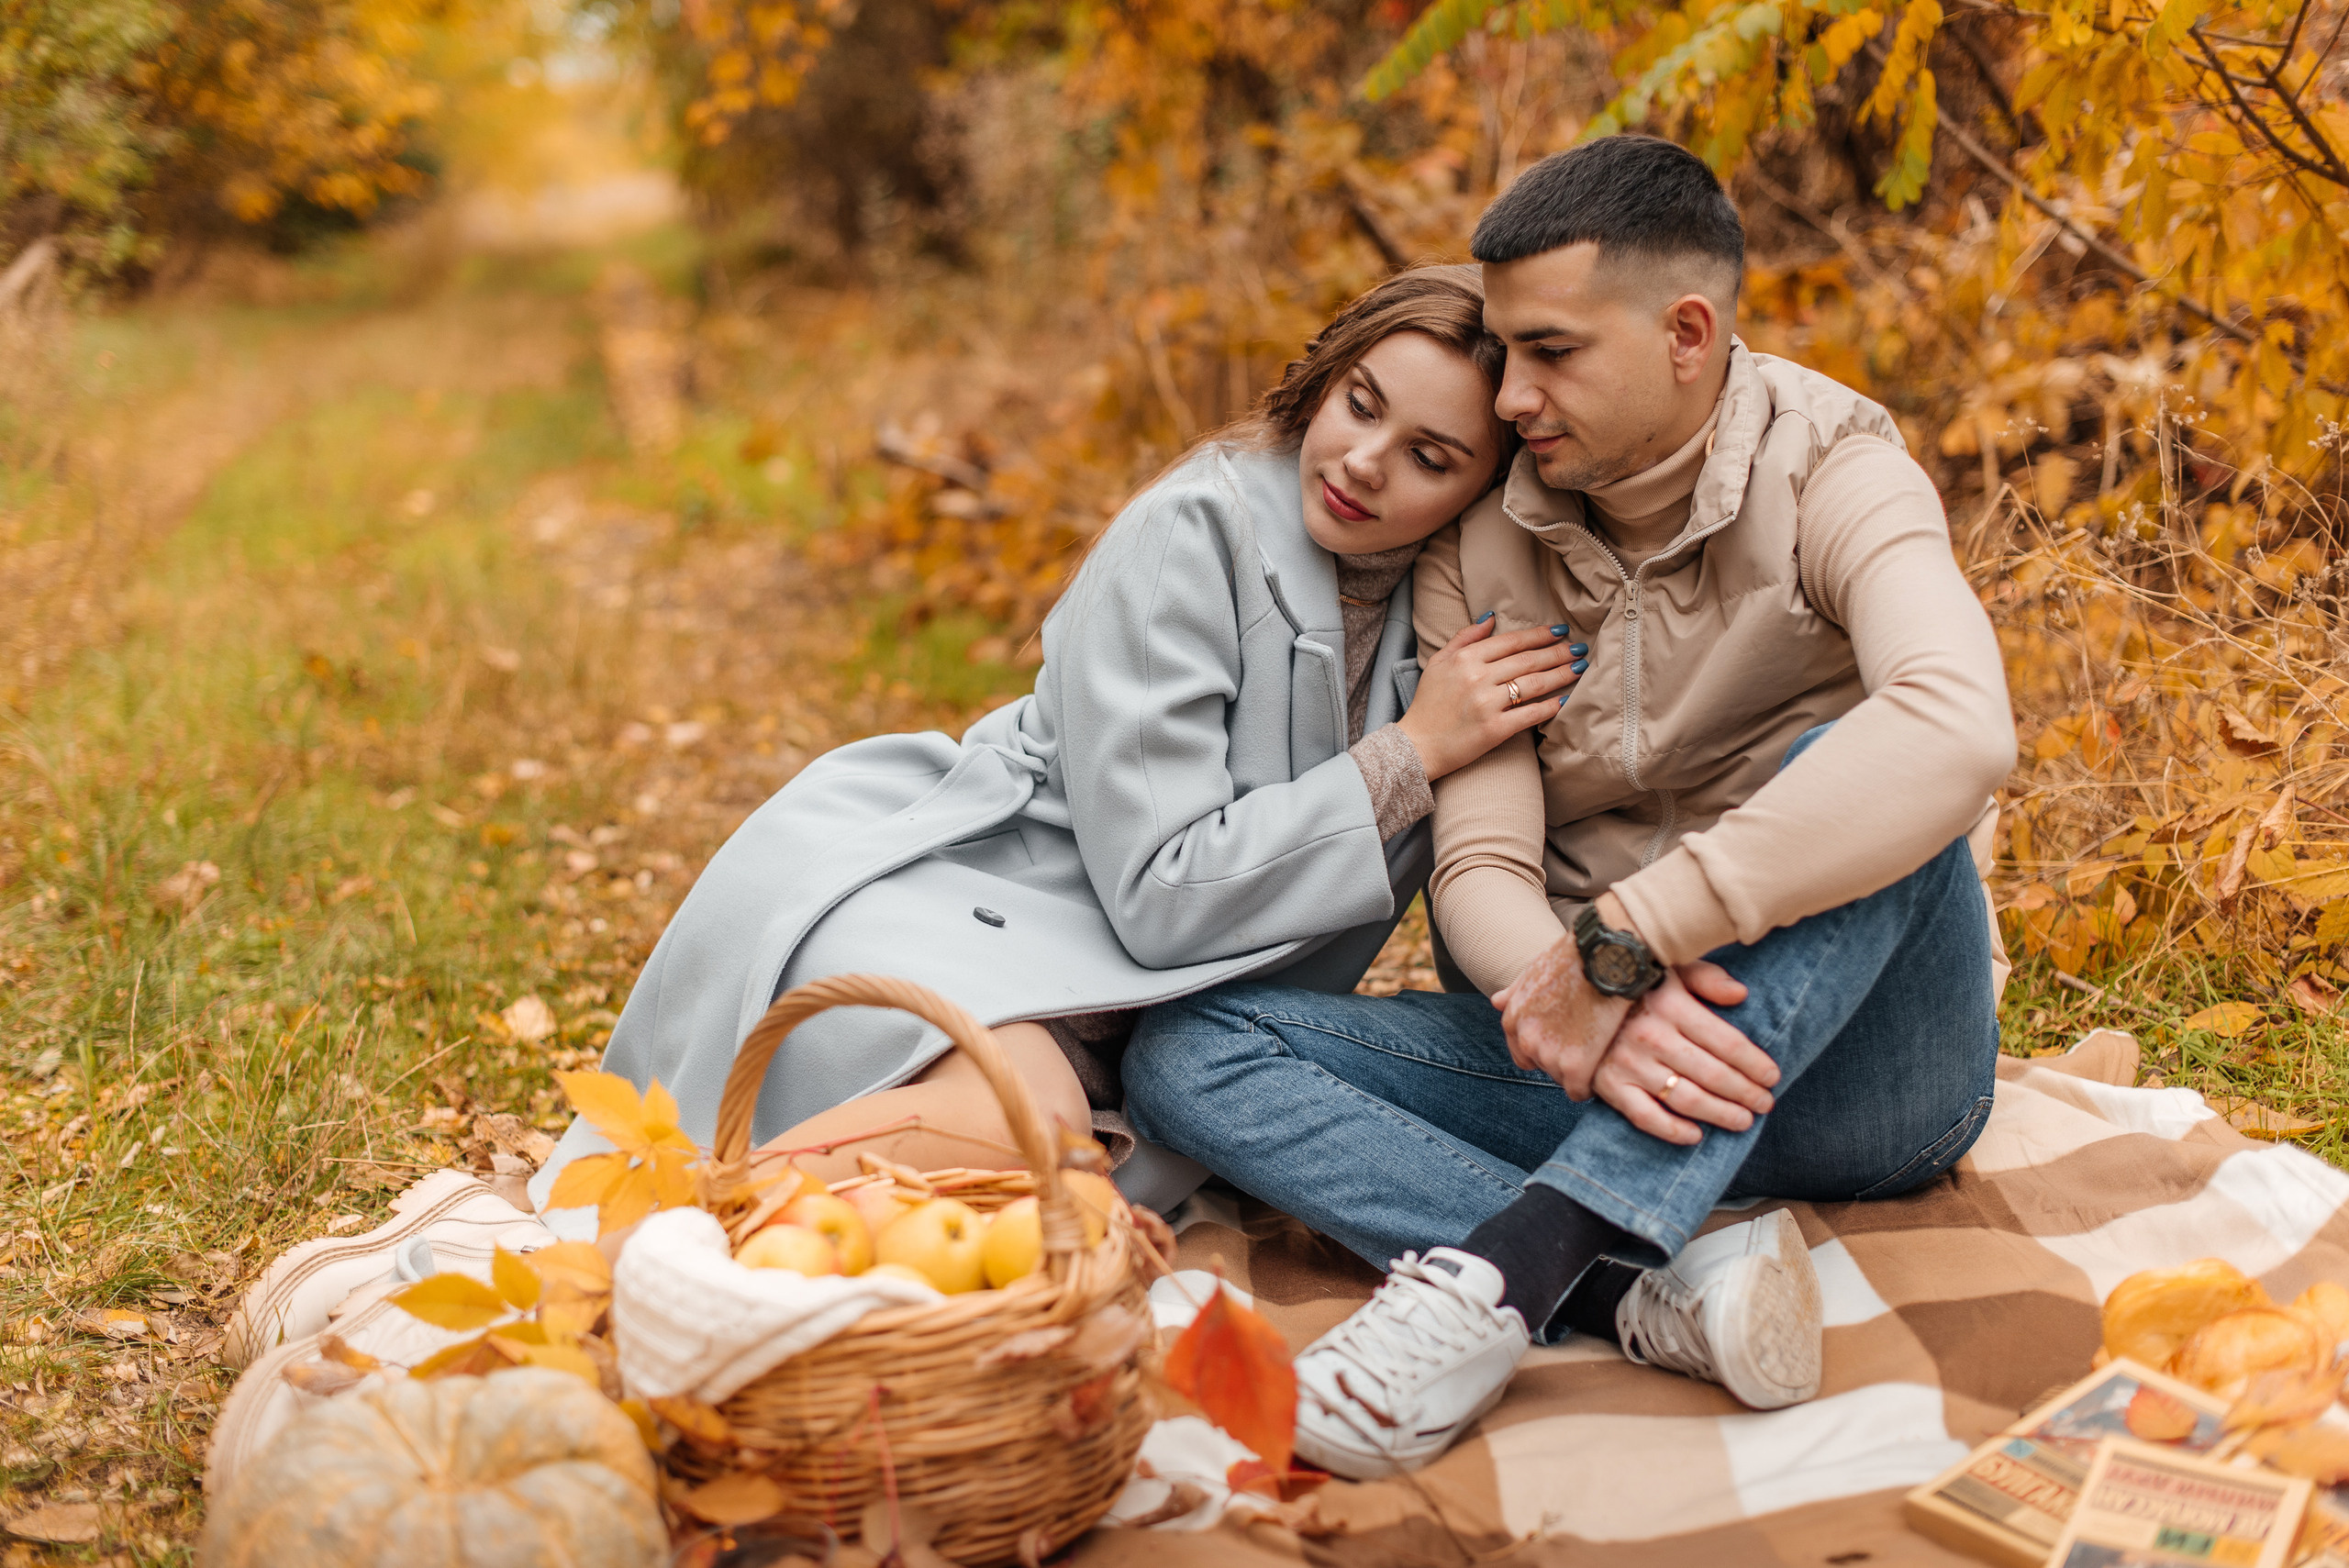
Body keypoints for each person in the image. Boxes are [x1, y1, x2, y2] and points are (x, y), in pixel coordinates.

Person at [1122, 135, 2018, 1477]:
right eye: (1502, 348)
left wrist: (1631, 943)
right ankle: (1646, 1287)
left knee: (1868, 757)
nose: (1512, 393)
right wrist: (1569, 994)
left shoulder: (1835, 469)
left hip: (1866, 1078)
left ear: (1687, 333)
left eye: (1550, 352)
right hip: (1603, 1056)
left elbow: (1960, 727)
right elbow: (1481, 855)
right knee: (1189, 1052)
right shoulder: (1484, 536)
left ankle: (1505, 1274)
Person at [523, 263, 1584, 1225]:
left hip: (1137, 1025)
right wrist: (1407, 755)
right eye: (1360, 403)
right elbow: (1163, 895)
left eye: (1429, 457)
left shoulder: (1447, 628)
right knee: (1029, 1147)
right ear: (1324, 379)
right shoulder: (1191, 532)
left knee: (1043, 1199)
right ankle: (657, 1264)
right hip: (973, 915)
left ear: (1479, 497)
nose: (1363, 460)